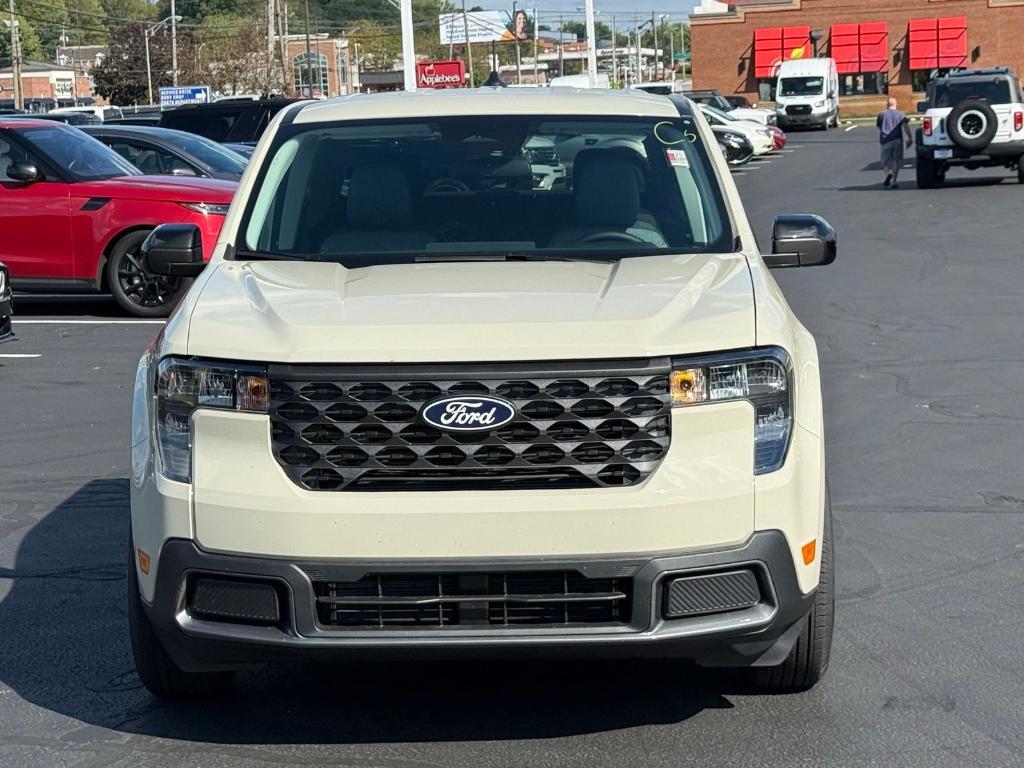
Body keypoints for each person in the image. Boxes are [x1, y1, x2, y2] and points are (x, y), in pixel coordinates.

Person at [876, 97, 913, 188]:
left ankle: (888, 173)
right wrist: (910, 138)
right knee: (896, 160)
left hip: (885, 140)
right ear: (896, 104)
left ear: (887, 104)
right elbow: (905, 126)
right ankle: (894, 181)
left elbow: (879, 126)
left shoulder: (881, 114)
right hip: (897, 140)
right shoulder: (900, 114)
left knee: (885, 161)